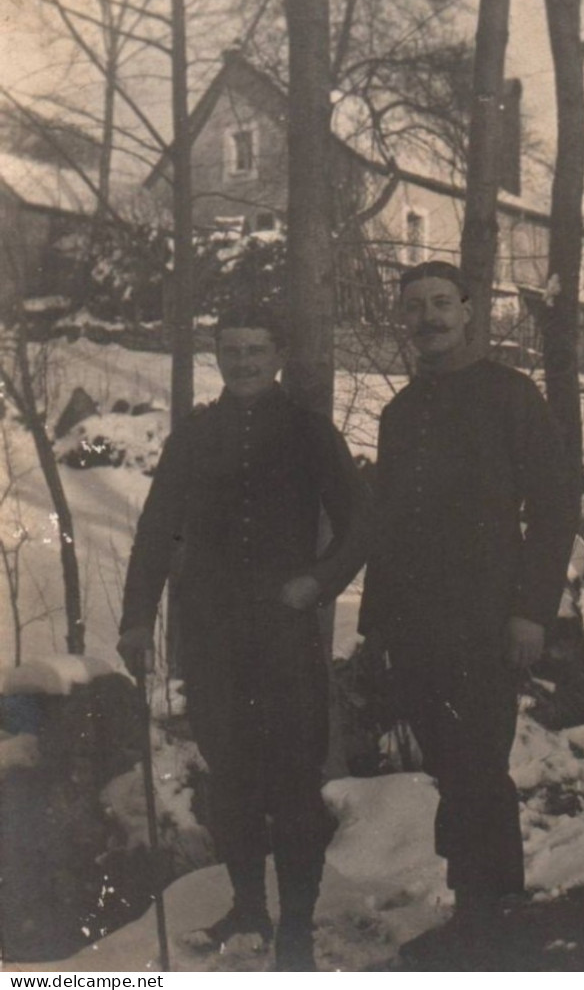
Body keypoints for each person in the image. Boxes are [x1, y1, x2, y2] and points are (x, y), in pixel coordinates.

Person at [118, 305, 368, 972]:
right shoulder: (195, 435)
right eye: (231, 350)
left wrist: (317, 582)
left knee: (291, 780)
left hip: (284, 637)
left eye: (256, 349)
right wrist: (136, 617)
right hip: (211, 636)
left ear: (278, 353)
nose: (244, 361)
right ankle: (249, 908)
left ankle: (296, 929)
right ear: (217, 354)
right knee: (229, 777)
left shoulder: (310, 433)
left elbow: (359, 527)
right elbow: (155, 530)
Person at [359, 260, 577, 957]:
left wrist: (531, 611)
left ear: (469, 309)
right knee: (451, 765)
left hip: (487, 615)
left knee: (479, 762)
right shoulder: (399, 414)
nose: (428, 317)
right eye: (414, 306)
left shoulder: (510, 396)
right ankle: (471, 903)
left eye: (440, 303)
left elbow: (552, 508)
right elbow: (386, 526)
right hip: (415, 621)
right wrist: (375, 628)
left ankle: (499, 912)